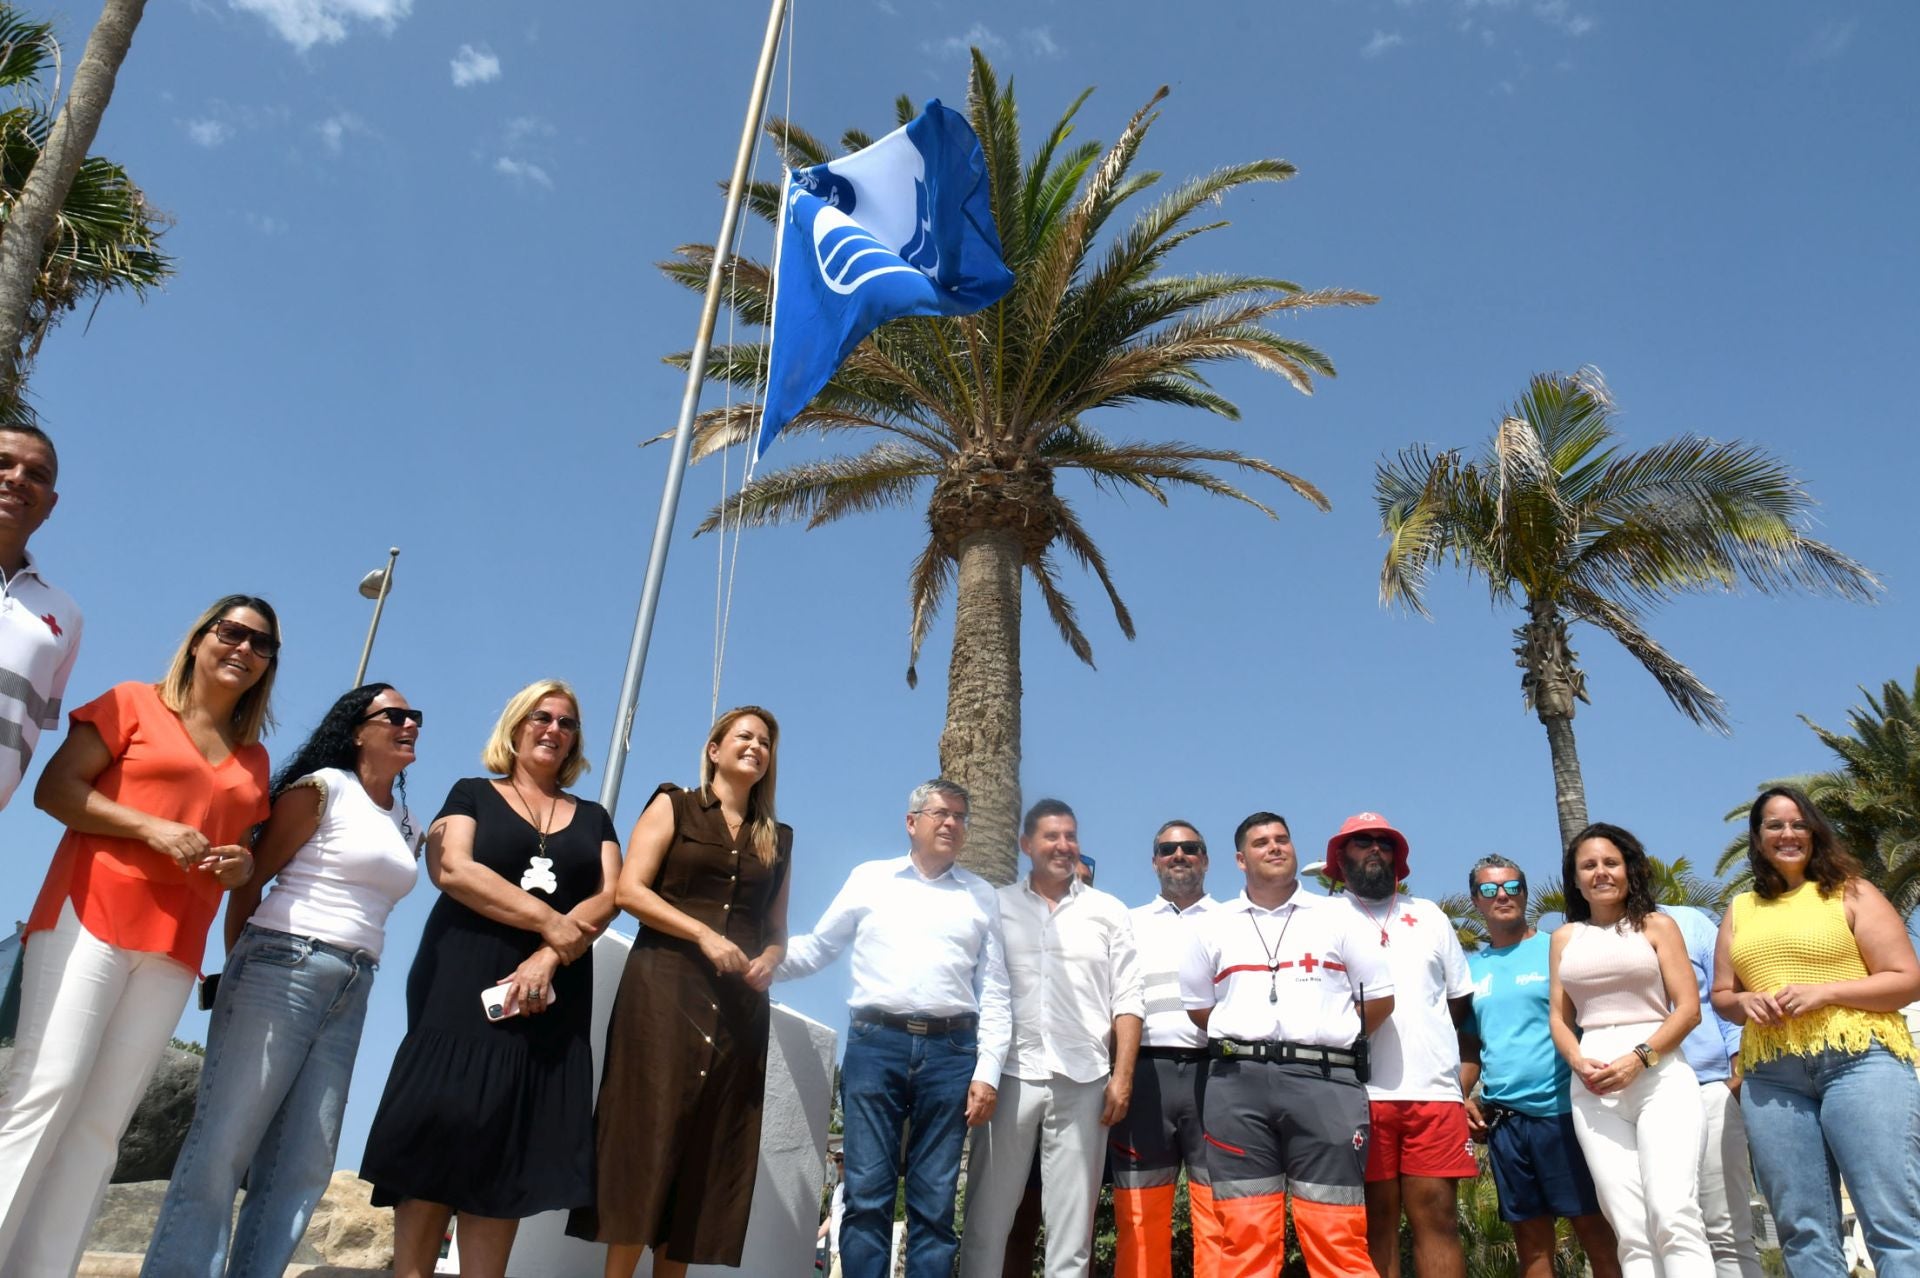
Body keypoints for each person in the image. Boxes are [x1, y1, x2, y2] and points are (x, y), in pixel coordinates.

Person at [0, 594, 278, 1275]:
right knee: (50, 1086)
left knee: (103, 1125)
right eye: (231, 631)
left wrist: (242, 862)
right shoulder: (131, 703)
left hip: (175, 946)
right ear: (199, 638)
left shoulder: (256, 761)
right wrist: (149, 827)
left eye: (261, 643)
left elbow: (241, 850)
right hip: (88, 915)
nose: (243, 647)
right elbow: (56, 791)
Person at [140, 683, 425, 1278]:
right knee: (224, 1146)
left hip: (354, 982)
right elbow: (250, 877)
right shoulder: (321, 789)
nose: (410, 725)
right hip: (283, 962)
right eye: (395, 715)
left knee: (304, 1163)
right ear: (357, 728)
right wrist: (236, 964)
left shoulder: (405, 820)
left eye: (414, 717)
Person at [359, 679, 621, 1278]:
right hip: (458, 989)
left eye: (567, 722)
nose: (553, 729)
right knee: (435, 1138)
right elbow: (453, 868)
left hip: (548, 1004)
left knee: (509, 1152)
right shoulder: (472, 792)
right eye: (541, 717)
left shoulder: (595, 817)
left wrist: (548, 956)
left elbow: (610, 896)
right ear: (516, 724)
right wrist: (552, 925)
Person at [570, 706, 792, 1276]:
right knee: (646, 1135)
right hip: (664, 990)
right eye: (744, 736)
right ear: (714, 749)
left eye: (764, 742)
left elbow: (776, 932)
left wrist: (769, 959)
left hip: (739, 1008)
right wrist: (704, 935)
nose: (755, 746)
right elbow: (629, 890)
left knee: (707, 1150)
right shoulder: (674, 804)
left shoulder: (779, 839)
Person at [776, 778, 1011, 1278]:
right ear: (912, 822)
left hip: (952, 1053)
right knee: (865, 1194)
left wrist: (988, 1070)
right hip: (875, 1046)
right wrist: (753, 964)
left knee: (935, 1202)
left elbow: (994, 990)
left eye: (961, 817)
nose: (952, 823)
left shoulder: (981, 896)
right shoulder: (870, 880)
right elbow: (818, 947)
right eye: (941, 813)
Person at [1711, 785, 1920, 1277]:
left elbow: (1906, 979)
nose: (1787, 834)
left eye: (1798, 823)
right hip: (1772, 1077)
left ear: (1814, 831)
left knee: (1891, 1215)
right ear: (1757, 838)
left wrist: (1825, 992)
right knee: (1801, 1228)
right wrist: (1743, 1000)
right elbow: (1722, 995)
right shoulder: (1740, 909)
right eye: (1774, 825)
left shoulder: (1851, 891)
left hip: (1861, 1061)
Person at [1179, 811, 1394, 1278]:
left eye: (1282, 839)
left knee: (1337, 1236)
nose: (1275, 847)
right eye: (1261, 842)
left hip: (1325, 1082)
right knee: (1245, 1236)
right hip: (1237, 1087)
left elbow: (1379, 1001)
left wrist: (1323, 1035)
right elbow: (1199, 1010)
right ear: (1240, 859)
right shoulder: (1211, 925)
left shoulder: (1340, 915)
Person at [958, 799, 1143, 1278]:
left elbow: (1127, 999)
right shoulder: (995, 905)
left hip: (1085, 1080)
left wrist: (1122, 1078)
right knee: (986, 1221)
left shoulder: (1109, 911)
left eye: (1071, 836)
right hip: (1011, 1076)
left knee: (1072, 1230)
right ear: (1026, 845)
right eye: (1051, 837)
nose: (1063, 846)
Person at [1549, 823, 1713, 1277]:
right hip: (1593, 1086)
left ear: (1629, 869)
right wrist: (1578, 1060)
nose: (1601, 873)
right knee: (1631, 1229)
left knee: (1673, 1213)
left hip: (1659, 1076)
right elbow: (1560, 1020)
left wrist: (1639, 1057)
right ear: (1576, 878)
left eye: (1610, 863)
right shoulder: (1564, 938)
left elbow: (1688, 1010)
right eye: (1589, 865)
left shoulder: (1658, 925)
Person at [1325, 811, 1475, 1278]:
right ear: (1340, 856)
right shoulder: (1323, 918)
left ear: (1398, 857)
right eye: (1362, 841)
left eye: (1384, 843)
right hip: (1358, 1095)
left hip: (1431, 1092)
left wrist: (1438, 1058)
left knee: (1439, 1219)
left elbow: (1458, 1004)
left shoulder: (1428, 914)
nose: (1374, 849)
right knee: (1375, 1223)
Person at [1457, 855, 1620, 1278]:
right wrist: (1460, 1098)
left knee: (1598, 1236)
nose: (1503, 896)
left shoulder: (1557, 948)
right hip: (1506, 1123)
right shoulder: (1471, 970)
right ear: (1476, 900)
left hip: (1566, 1114)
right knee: (1531, 1248)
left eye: (1512, 887)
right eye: (1490, 889)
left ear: (1525, 894)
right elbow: (1471, 1049)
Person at [1111, 819, 1222, 1278]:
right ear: (1154, 860)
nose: (1179, 855)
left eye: (1190, 847)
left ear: (1206, 859)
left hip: (1217, 1077)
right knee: (1138, 1217)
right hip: (1146, 1079)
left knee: (1220, 1215)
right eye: (1168, 848)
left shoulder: (1234, 919)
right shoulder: (1126, 923)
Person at [1660, 903, 1763, 1278]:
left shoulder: (1689, 921)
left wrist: (1735, 1078)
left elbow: (1727, 993)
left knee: (1728, 1231)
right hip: (1636, 1101)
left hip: (1708, 1088)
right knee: (1662, 1232)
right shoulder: (1590, 936)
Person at [0, 424, 81, 813]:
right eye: (3, 463)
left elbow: (27, 726)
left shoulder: (67, 616)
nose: (17, 479)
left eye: (36, 475)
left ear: (50, 504)